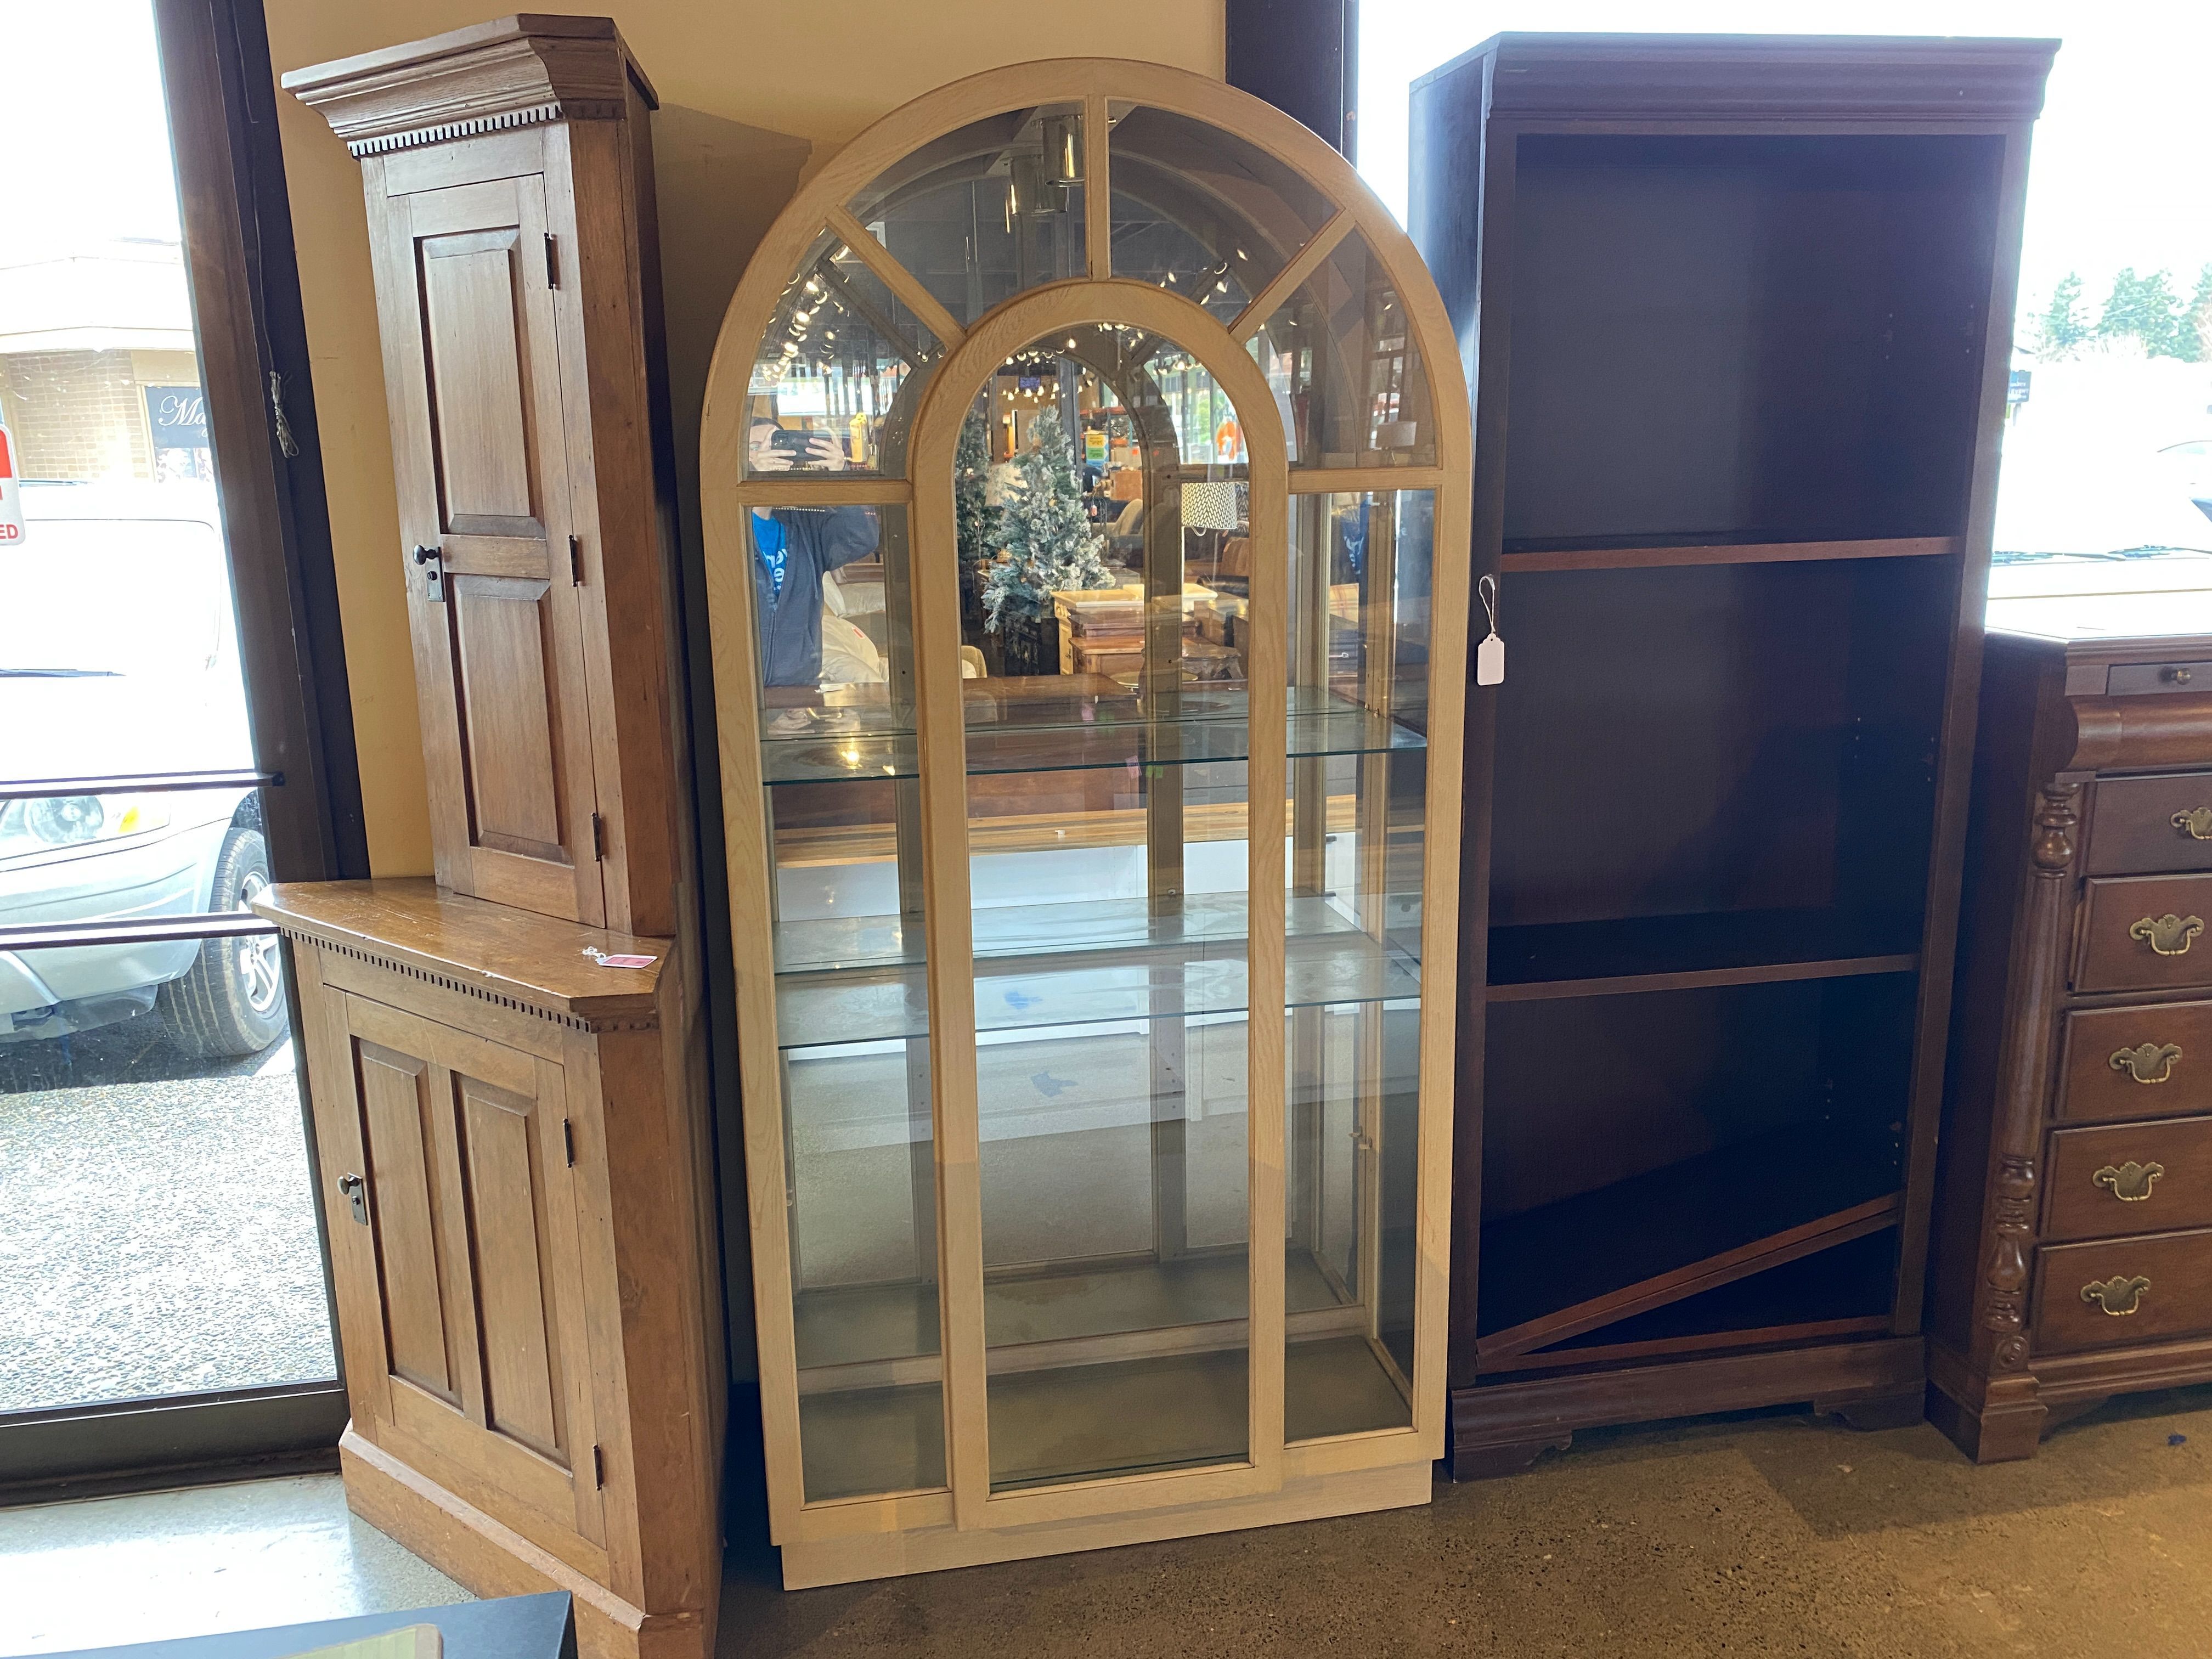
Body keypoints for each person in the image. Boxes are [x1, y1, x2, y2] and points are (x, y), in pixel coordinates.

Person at [747, 418, 880, 690]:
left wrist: (841, 475)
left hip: (800, 683)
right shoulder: (725, 525)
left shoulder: (805, 523)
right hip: (738, 681)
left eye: (776, 443)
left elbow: (861, 538)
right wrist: (754, 486)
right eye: (755, 446)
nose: (769, 452)